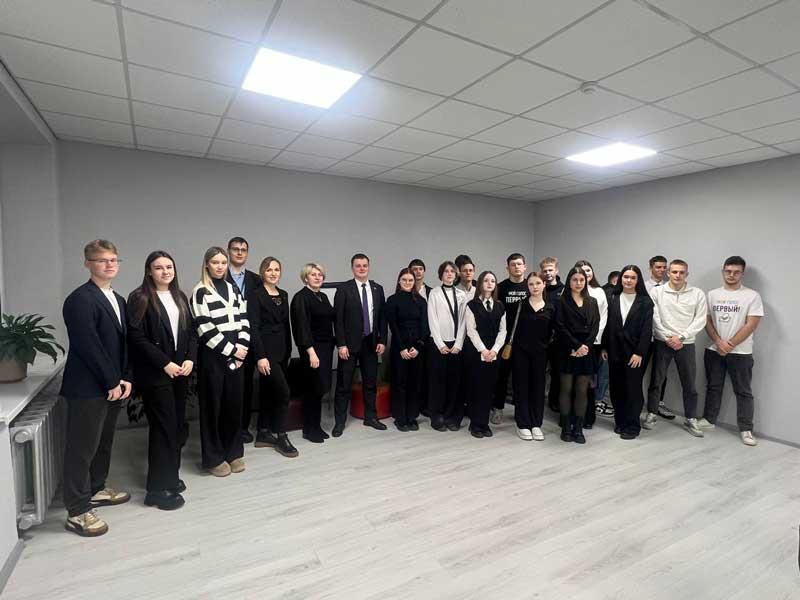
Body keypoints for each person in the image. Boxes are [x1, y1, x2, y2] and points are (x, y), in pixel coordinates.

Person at [61, 239, 132, 536]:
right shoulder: (79, 299)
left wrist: (125, 377)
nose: (109, 264)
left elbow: (123, 344)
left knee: (103, 442)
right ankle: (77, 510)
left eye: (113, 259)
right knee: (81, 449)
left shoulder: (118, 299)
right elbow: (88, 346)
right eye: (102, 260)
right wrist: (111, 381)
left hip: (113, 385)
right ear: (88, 264)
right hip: (88, 387)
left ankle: (96, 488)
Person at [127, 251, 197, 511]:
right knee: (163, 429)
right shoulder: (140, 297)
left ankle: (170, 477)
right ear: (149, 271)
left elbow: (191, 332)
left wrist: (190, 359)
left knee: (176, 426)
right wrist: (164, 363)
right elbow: (136, 337)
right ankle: (156, 490)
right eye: (159, 267)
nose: (165, 271)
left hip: (180, 372)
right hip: (156, 373)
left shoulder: (180, 296)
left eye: (169, 267)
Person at [191, 246, 250, 476]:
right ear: (207, 264)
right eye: (215, 262)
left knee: (233, 405)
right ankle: (214, 458)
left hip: (237, 352)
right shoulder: (200, 292)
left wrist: (242, 347)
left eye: (223, 263)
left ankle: (233, 453)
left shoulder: (232, 288)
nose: (219, 266)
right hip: (213, 355)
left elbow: (244, 318)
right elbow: (205, 328)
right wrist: (232, 350)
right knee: (212, 408)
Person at [699, 256, 764, 446]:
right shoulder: (712, 294)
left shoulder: (752, 296)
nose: (731, 275)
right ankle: (709, 420)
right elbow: (706, 320)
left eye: (736, 272)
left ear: (742, 274)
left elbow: (752, 324)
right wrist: (718, 342)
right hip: (714, 350)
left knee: (743, 391)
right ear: (723, 272)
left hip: (741, 353)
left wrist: (730, 344)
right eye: (728, 271)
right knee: (713, 387)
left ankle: (746, 429)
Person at [643, 259, 707, 437]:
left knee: (689, 383)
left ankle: (691, 418)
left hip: (685, 343)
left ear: (687, 274)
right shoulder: (657, 292)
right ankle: (652, 413)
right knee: (656, 381)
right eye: (674, 272)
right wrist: (667, 337)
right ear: (668, 273)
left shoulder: (697, 294)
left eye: (681, 272)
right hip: (662, 342)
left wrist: (682, 337)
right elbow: (654, 317)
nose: (678, 275)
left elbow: (700, 319)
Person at [247, 257, 298, 458]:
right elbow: (254, 328)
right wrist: (260, 356)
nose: (273, 273)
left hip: (282, 351)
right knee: (283, 393)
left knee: (268, 392)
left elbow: (286, 325)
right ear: (263, 273)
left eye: (277, 269)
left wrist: (289, 350)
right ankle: (281, 435)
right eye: (269, 270)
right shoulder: (255, 295)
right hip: (266, 353)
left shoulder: (283, 294)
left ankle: (263, 432)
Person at [333, 253, 388, 436]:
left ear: (369, 267)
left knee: (370, 383)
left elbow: (382, 317)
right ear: (352, 268)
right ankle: (339, 422)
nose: (362, 268)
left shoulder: (377, 289)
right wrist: (341, 344)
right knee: (343, 385)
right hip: (348, 345)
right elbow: (338, 319)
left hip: (370, 343)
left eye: (365, 265)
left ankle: (370, 417)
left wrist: (382, 340)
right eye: (358, 265)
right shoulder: (344, 289)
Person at [601, 265, 653, 440]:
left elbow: (647, 330)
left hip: (635, 353)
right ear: (621, 279)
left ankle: (632, 425)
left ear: (638, 280)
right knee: (616, 388)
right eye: (626, 277)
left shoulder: (645, 302)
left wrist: (639, 353)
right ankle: (620, 421)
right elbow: (606, 325)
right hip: (614, 350)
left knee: (633, 389)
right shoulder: (612, 297)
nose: (628, 280)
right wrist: (604, 347)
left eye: (632, 277)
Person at [290, 263, 335, 443]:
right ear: (306, 278)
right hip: (312, 349)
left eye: (320, 275)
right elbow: (302, 327)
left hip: (325, 348)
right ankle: (309, 429)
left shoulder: (322, 296)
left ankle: (316, 426)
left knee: (320, 389)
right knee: (312, 390)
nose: (317, 277)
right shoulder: (300, 297)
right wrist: (311, 352)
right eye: (313, 274)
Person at [554, 267, 600, 444]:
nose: (579, 283)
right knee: (566, 388)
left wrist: (585, 347)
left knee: (582, 390)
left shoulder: (592, 301)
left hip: (586, 350)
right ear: (569, 281)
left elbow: (595, 326)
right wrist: (575, 346)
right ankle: (566, 427)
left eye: (582, 280)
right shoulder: (561, 301)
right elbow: (560, 326)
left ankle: (578, 429)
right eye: (575, 280)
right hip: (567, 349)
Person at [511, 272, 555, 441]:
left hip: (541, 354)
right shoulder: (520, 305)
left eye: (538, 283)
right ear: (527, 286)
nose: (534, 287)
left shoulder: (551, 307)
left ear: (544, 284)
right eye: (531, 284)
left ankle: (536, 423)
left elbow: (553, 332)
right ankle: (522, 423)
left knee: (538, 388)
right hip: (520, 353)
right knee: (521, 387)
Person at [225, 237, 261, 443]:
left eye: (243, 250)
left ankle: (243, 427)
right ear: (229, 251)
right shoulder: (219, 276)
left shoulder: (256, 280)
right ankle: (228, 429)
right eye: (235, 249)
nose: (239, 253)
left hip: (250, 340)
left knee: (247, 386)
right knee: (229, 386)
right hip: (227, 341)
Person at [385, 268, 429, 431]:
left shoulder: (421, 301)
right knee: (400, 383)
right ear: (399, 281)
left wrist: (418, 347)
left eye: (410, 280)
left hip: (417, 347)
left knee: (415, 383)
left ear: (414, 282)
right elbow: (393, 326)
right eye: (404, 280)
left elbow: (425, 326)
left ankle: (412, 416)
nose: (407, 283)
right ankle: (400, 417)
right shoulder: (392, 300)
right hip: (400, 347)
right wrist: (402, 348)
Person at [464, 271, 507, 438]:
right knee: (477, 387)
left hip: (494, 353)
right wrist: (483, 350)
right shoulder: (472, 305)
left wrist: (494, 350)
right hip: (477, 352)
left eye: (493, 281)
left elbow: (503, 331)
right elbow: (471, 330)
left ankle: (484, 423)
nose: (490, 283)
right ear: (480, 283)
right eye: (486, 280)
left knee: (489, 389)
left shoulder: (500, 306)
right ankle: (475, 424)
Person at [427, 261, 467, 431]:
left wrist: (458, 343)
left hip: (457, 344)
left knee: (454, 382)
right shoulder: (434, 293)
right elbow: (432, 319)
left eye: (452, 271)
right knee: (438, 382)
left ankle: (451, 416)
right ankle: (436, 416)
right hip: (439, 344)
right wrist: (440, 344)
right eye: (446, 271)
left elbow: (464, 321)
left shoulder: (462, 294)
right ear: (441, 274)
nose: (449, 274)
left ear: (456, 275)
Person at [491, 253, 528, 424]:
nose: (516, 267)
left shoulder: (531, 286)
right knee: (501, 376)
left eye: (519, 264)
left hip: (525, 340)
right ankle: (497, 408)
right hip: (504, 340)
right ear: (507, 268)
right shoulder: (501, 288)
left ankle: (520, 411)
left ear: (524, 266)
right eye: (513, 264)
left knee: (521, 378)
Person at [575, 260, 609, 427]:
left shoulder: (599, 291)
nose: (586, 273)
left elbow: (603, 317)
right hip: (575, 343)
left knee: (589, 381)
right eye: (582, 271)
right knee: (574, 381)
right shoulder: (571, 291)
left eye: (588, 270)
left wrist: (592, 339)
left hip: (593, 343)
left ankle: (588, 417)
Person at [644, 254, 675, 421]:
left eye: (664, 267)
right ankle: (635, 403)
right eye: (658, 267)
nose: (662, 270)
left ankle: (657, 405)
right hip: (644, 336)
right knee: (638, 371)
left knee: (660, 373)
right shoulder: (642, 286)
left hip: (662, 337)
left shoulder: (670, 288)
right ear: (651, 268)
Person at [540, 256, 565, 413]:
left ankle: (554, 401)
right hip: (541, 337)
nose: (548, 273)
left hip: (558, 339)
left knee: (557, 372)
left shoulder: (564, 290)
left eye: (550, 270)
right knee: (539, 371)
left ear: (556, 270)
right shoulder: (539, 287)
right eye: (545, 271)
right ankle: (537, 399)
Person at [408, 258, 432, 416]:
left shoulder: (432, 292)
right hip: (411, 339)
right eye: (414, 269)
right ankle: (413, 406)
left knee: (427, 373)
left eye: (420, 269)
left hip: (429, 338)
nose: (417, 272)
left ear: (424, 271)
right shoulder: (405, 290)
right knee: (413, 375)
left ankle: (425, 405)